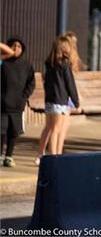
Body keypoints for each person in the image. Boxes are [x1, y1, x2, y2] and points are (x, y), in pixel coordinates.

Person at [37, 35, 80, 163]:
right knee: (56, 129)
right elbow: (70, 83)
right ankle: (54, 156)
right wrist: (76, 100)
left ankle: (43, 154)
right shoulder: (65, 65)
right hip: (60, 101)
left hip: (49, 100)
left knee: (49, 127)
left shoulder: (50, 64)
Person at [1, 38, 35, 167]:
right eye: (13, 46)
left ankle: (9, 156)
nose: (16, 48)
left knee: (13, 132)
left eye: (19, 46)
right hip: (3, 105)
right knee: (1, 132)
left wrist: (24, 97)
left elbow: (31, 82)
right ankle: (0, 156)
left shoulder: (26, 65)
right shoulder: (2, 63)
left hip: (17, 106)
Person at [58, 31, 85, 155]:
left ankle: (58, 147)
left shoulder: (69, 57)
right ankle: (58, 148)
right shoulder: (69, 58)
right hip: (66, 94)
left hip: (65, 93)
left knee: (61, 125)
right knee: (61, 126)